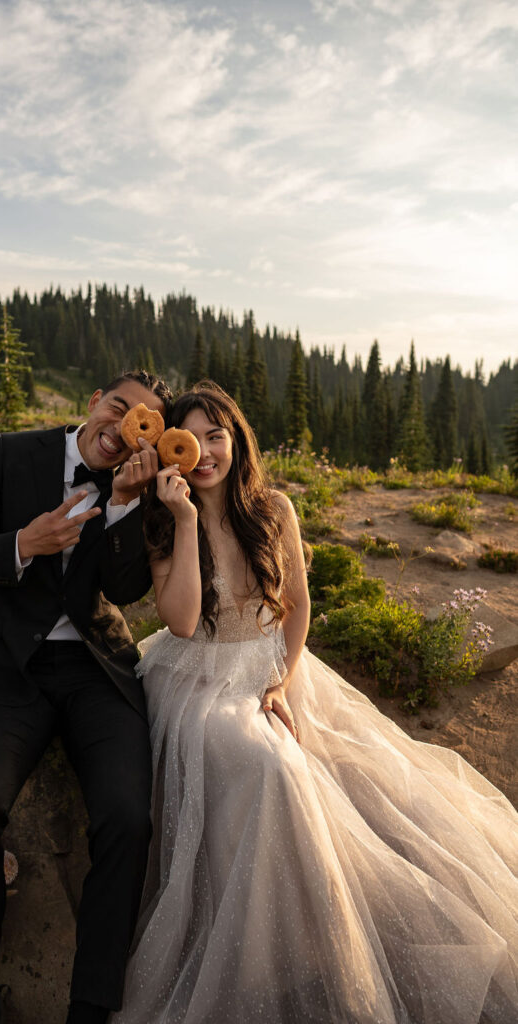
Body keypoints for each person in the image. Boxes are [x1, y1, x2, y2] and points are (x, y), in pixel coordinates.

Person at [110, 381, 518, 1024]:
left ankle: (316, 945)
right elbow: (183, 621)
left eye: (218, 436)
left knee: (362, 780)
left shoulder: (273, 508)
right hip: (196, 678)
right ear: (172, 451)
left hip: (271, 666)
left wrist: (281, 679)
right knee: (273, 769)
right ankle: (261, 961)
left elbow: (297, 606)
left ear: (235, 440)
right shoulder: (164, 519)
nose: (207, 453)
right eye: (193, 440)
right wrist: (187, 521)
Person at [0, 369, 172, 1024]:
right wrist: (22, 544)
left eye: (142, 422)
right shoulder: (12, 453)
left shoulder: (140, 480)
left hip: (96, 669)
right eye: (120, 407)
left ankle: (91, 1008)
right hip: (12, 667)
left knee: (126, 819)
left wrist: (125, 504)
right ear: (95, 403)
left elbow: (125, 591)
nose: (124, 426)